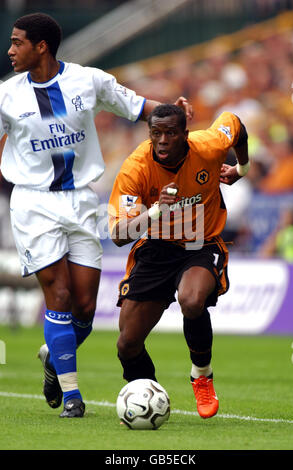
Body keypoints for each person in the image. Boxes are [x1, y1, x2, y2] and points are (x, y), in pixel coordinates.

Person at [0, 12, 192, 418]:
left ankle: (54, 359)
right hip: (34, 204)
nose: (10, 50)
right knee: (61, 295)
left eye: (18, 43)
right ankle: (72, 396)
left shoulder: (88, 81)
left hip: (82, 201)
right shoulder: (7, 95)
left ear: (41, 47)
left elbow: (139, 107)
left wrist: (174, 114)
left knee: (85, 306)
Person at [108, 104, 249, 419]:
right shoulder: (135, 168)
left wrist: (242, 169)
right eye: (155, 133)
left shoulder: (208, 145)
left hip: (199, 242)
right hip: (156, 249)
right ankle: (148, 396)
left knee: (191, 299)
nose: (162, 140)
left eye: (170, 133)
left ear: (185, 134)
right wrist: (156, 209)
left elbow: (236, 125)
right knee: (127, 344)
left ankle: (202, 375)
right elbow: (118, 234)